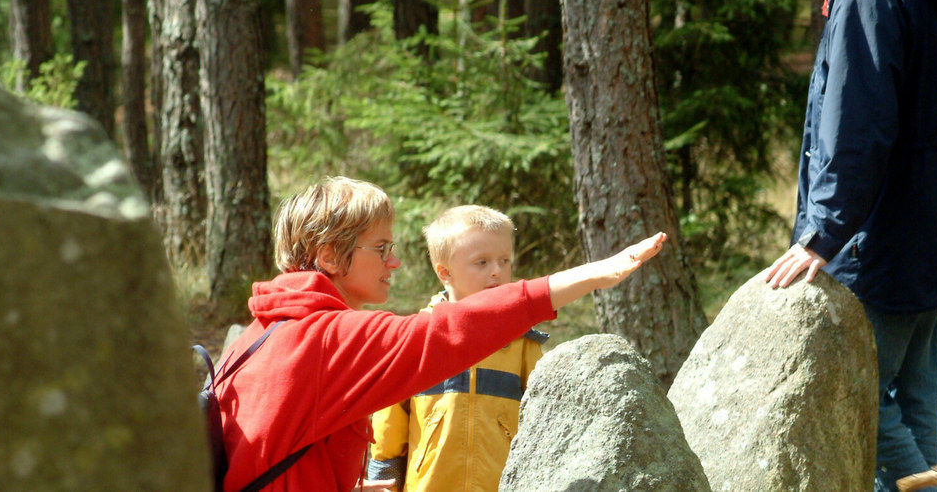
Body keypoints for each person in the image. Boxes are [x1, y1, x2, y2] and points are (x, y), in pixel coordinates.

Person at [215, 177, 666, 492]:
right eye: (380, 248)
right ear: (331, 255)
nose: (394, 262)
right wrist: (591, 275)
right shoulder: (324, 340)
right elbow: (452, 330)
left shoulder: (259, 334)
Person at [758, 0, 937, 492]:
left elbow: (858, 120)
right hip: (929, 232)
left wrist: (824, 231)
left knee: (863, 415)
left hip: (873, 247)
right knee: (912, 410)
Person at [366, 205, 545, 491]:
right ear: (445, 272)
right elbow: (390, 423)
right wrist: (384, 479)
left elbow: (542, 420)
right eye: (482, 262)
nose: (497, 271)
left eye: (505, 260)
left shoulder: (523, 343)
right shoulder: (419, 336)